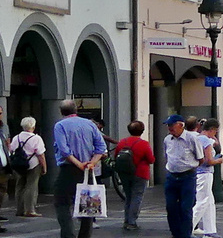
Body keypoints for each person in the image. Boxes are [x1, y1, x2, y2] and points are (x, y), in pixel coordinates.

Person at [49, 101, 105, 238]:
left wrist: (79, 164)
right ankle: (85, 235)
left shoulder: (60, 125)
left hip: (69, 169)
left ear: (61, 111)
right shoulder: (90, 124)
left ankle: (68, 235)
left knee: (62, 202)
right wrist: (92, 163)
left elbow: (64, 150)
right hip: (88, 170)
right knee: (88, 204)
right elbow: (101, 147)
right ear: (76, 110)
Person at [161, 116, 206, 238]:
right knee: (171, 207)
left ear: (181, 125)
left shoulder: (191, 138)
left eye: (172, 125)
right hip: (171, 176)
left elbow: (200, 158)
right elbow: (167, 155)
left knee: (186, 208)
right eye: (168, 125)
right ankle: (175, 233)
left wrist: (190, 167)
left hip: (187, 176)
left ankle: (185, 234)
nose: (169, 128)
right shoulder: (167, 140)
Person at [114, 121, 153, 232]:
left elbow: (116, 155)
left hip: (124, 173)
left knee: (128, 197)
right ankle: (132, 222)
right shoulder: (144, 144)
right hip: (140, 173)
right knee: (137, 197)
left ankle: (126, 220)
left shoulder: (122, 142)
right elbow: (151, 159)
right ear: (142, 130)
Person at [192, 120, 222, 238]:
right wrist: (218, 160)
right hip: (205, 173)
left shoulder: (197, 138)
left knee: (209, 202)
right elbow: (209, 161)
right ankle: (188, 226)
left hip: (197, 173)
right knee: (203, 201)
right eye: (215, 131)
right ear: (212, 129)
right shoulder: (206, 141)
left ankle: (210, 230)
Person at [9, 118, 45, 217]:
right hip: (33, 164)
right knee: (31, 185)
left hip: (19, 164)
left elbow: (11, 149)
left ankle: (19, 209)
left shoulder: (17, 137)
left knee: (20, 185)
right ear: (33, 126)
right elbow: (40, 154)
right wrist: (44, 167)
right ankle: (30, 209)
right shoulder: (36, 138)